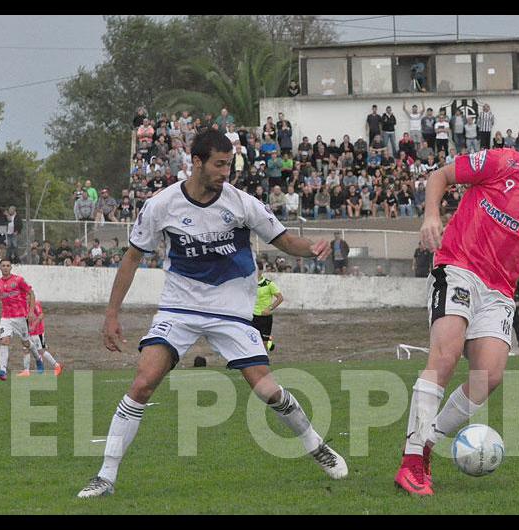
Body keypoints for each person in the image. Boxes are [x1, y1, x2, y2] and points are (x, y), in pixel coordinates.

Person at [77, 130, 347, 498]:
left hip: (231, 312)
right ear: (197, 162)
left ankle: (316, 445)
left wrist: (311, 249)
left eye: (229, 164)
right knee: (143, 382)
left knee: (267, 388)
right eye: (219, 164)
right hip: (180, 307)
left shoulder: (242, 203)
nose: (226, 172)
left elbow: (283, 240)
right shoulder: (161, 205)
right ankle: (105, 477)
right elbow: (133, 258)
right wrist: (112, 314)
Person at [393, 111, 519, 496]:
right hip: (459, 267)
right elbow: (439, 177)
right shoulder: (501, 162)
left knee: (489, 377)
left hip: (498, 290)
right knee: (444, 358)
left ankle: (427, 442)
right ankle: (412, 463)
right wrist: (432, 216)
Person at [0, 259, 43, 381]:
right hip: (6, 317)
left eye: (7, 266)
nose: (5, 268)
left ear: (11, 268)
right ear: (0, 268)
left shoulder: (18, 280)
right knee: (4, 341)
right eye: (3, 266)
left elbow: (31, 293)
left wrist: (30, 311)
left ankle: (38, 359)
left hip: (20, 317)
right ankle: (3, 371)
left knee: (26, 343)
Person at [23, 299, 64, 377]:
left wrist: (34, 325)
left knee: (40, 351)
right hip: (28, 332)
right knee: (26, 349)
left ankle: (57, 366)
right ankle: (26, 371)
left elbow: (41, 315)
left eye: (27, 295)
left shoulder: (35, 303)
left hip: (37, 332)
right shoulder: (23, 303)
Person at [253, 260, 283, 353]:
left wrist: (269, 308)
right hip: (252, 316)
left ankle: (268, 343)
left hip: (265, 318)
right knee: (253, 342)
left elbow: (280, 298)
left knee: (264, 343)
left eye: (257, 270)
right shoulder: (249, 284)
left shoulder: (269, 284)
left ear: (261, 271)